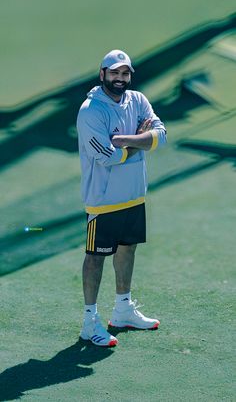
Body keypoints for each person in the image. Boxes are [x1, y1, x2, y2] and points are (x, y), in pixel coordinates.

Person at [76, 49, 167, 347]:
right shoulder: (90, 111)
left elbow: (161, 135)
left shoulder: (138, 100)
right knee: (95, 258)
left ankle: (123, 309)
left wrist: (125, 141)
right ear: (102, 75)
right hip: (102, 202)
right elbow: (105, 156)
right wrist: (141, 143)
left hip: (133, 196)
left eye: (125, 73)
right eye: (114, 73)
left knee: (128, 250)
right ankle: (90, 322)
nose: (120, 78)